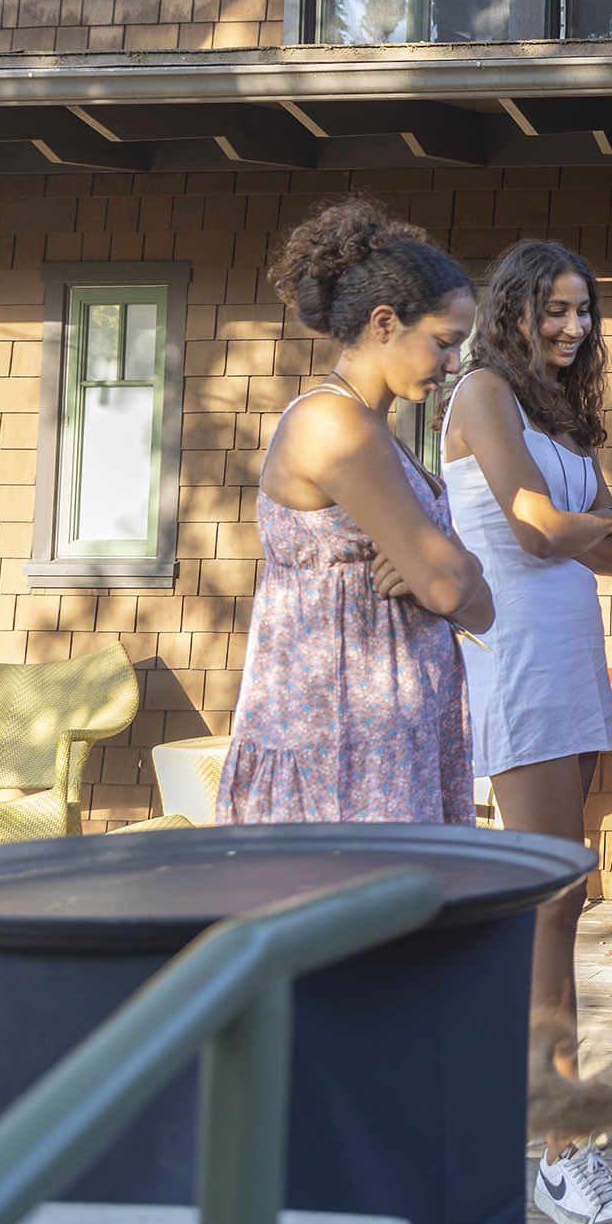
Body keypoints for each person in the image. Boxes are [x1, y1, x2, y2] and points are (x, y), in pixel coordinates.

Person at [441, 239, 612, 1224]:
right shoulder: (481, 390)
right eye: (553, 310)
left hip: (572, 659)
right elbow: (530, 531)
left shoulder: (560, 414)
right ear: (514, 307)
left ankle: (538, 1119)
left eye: (581, 312)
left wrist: (582, 525)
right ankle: (557, 1147)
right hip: (514, 657)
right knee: (550, 901)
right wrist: (583, 523)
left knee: (563, 895)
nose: (569, 328)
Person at [222, 198, 491, 825]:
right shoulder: (333, 422)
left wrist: (451, 577)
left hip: (394, 735)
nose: (453, 365)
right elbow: (452, 586)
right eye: (445, 343)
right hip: (340, 737)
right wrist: (451, 576)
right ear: (384, 323)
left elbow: (476, 604)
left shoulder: (380, 431)